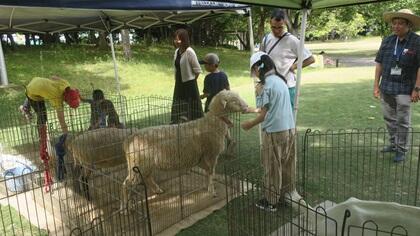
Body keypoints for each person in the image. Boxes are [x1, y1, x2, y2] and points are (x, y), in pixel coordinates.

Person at [241, 52, 304, 212]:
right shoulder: (280, 80)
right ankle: (287, 193)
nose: (254, 74)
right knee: (287, 164)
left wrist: (249, 124)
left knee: (272, 166)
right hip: (289, 129)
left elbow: (264, 115)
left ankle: (271, 201)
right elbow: (270, 107)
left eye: (253, 70)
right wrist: (251, 110)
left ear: (257, 68)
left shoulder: (263, 85)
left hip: (274, 132)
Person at [373, 9, 420, 162]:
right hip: (386, 86)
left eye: (400, 23)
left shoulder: (417, 41)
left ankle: (401, 149)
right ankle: (394, 144)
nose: (396, 26)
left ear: (409, 25)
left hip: (406, 88)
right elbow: (379, 63)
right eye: (394, 23)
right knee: (389, 118)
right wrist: (376, 85)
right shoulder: (387, 40)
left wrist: (417, 88)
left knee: (402, 120)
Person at [19, 75, 80, 190]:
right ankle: (39, 129)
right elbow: (61, 119)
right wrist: (66, 133)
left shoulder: (65, 83)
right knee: (43, 116)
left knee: (35, 92)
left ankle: (25, 107)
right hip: (33, 93)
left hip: (36, 80)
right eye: (68, 103)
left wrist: (47, 85)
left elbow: (54, 77)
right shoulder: (57, 97)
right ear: (65, 99)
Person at [260, 9, 315, 110]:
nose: (276, 31)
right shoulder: (266, 39)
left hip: (287, 87)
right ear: (269, 23)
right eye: (273, 27)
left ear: (285, 23)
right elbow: (261, 59)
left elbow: (310, 59)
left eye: (280, 27)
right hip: (270, 86)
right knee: (272, 119)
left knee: (289, 120)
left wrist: (294, 66)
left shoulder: (292, 40)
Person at [171, 28, 203, 123]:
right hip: (179, 83)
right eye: (175, 39)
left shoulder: (190, 52)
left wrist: (192, 81)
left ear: (184, 39)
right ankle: (177, 124)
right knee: (179, 106)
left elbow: (197, 70)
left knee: (192, 108)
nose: (176, 41)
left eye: (178, 39)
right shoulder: (177, 52)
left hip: (189, 84)